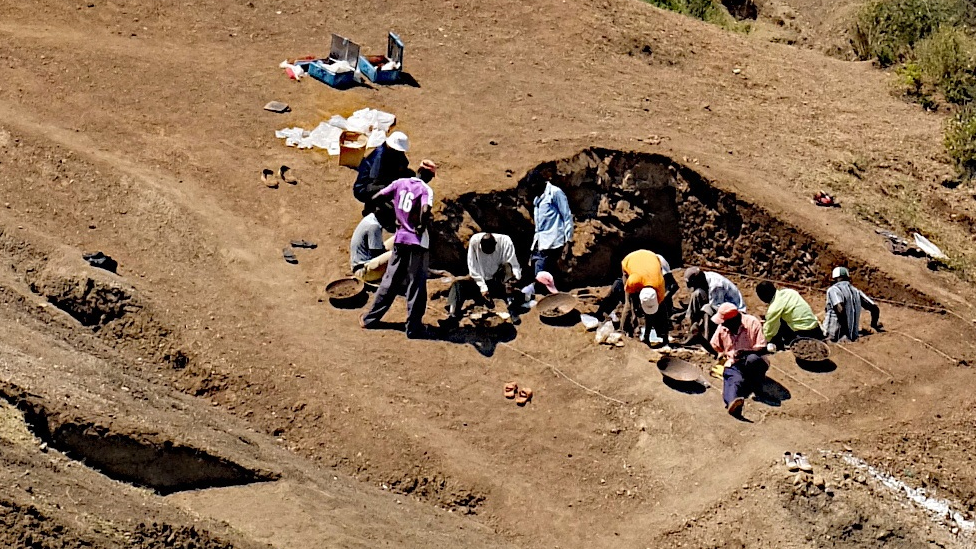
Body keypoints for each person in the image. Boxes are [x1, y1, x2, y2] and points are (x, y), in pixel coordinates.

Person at [360, 160, 437, 339]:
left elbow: (377, 197)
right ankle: (413, 328)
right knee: (416, 285)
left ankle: (369, 319)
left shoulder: (399, 183)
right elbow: (425, 209)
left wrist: (376, 211)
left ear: (418, 170)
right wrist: (420, 225)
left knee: (390, 280)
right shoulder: (426, 190)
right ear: (430, 176)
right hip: (417, 243)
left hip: (400, 239)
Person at [445, 232, 523, 323]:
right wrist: (483, 287)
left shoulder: (505, 241)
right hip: (480, 282)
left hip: (499, 282)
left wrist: (516, 277)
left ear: (495, 244)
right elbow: (473, 268)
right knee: (457, 285)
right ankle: (452, 314)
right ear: (480, 245)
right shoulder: (474, 242)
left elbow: (513, 264)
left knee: (507, 266)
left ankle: (512, 308)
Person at [597, 250, 670, 347]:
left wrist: (647, 336)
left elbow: (651, 314)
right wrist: (635, 313)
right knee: (629, 303)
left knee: (660, 309)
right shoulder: (633, 282)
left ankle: (661, 335)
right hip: (630, 261)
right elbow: (632, 304)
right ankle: (623, 331)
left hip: (651, 259)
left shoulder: (660, 288)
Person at [709, 303, 770, 417]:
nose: (723, 324)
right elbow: (715, 346)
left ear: (735, 319)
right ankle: (733, 403)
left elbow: (763, 349)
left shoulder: (752, 322)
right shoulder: (723, 327)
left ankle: (755, 384)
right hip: (734, 362)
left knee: (753, 360)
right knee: (733, 379)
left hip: (752, 360)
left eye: (725, 322)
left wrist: (745, 352)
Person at [525, 167, 574, 283]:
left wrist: (568, 241)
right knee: (541, 272)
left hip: (554, 240)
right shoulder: (537, 198)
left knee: (542, 273)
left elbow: (567, 216)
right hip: (541, 242)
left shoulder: (555, 193)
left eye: (533, 186)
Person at [682, 267, 746, 347]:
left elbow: (716, 308)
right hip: (720, 304)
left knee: (707, 308)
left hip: (734, 310)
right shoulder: (703, 278)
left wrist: (700, 322)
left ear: (697, 279)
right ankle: (693, 332)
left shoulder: (716, 286)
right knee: (696, 294)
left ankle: (707, 340)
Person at [756, 281, 823, 349]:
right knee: (781, 319)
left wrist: (764, 341)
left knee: (775, 325)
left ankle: (787, 343)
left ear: (763, 297)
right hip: (816, 328)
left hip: (804, 334)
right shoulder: (789, 292)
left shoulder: (774, 308)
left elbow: (769, 331)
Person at [823, 267, 882, 342]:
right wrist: (874, 326)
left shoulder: (833, 290)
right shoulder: (856, 291)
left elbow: (840, 310)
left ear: (834, 279)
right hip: (854, 336)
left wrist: (844, 334)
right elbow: (874, 308)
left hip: (834, 336)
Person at [353, 131, 410, 207]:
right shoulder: (379, 157)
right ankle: (374, 206)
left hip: (378, 181)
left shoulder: (392, 151)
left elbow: (404, 162)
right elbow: (375, 181)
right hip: (363, 189)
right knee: (390, 186)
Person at [349, 204, 396, 283]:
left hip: (361, 264)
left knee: (399, 238)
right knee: (400, 253)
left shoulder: (371, 218)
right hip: (364, 271)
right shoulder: (374, 227)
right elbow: (376, 254)